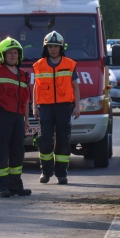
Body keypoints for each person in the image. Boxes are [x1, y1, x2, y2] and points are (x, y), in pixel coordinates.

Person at [32, 31, 80, 184]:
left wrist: (77, 106)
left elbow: (75, 86)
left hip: (64, 107)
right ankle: (45, 172)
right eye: (50, 46)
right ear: (46, 48)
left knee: (63, 139)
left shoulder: (69, 64)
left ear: (61, 48)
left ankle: (61, 173)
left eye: (56, 46)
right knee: (44, 139)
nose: (53, 49)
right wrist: (34, 106)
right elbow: (35, 87)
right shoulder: (39, 65)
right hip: (45, 107)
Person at [0, 38, 32, 198]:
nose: (13, 55)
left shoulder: (23, 75)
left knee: (18, 152)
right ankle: (1, 186)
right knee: (1, 152)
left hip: (18, 118)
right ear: (2, 54)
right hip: (1, 117)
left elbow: (26, 100)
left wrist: (27, 120)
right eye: (9, 53)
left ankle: (15, 186)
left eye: (15, 53)